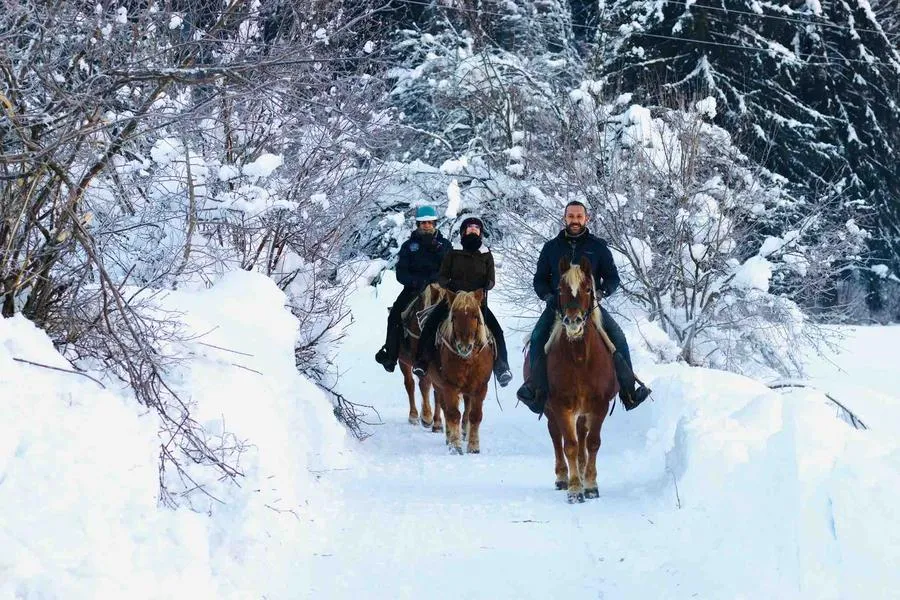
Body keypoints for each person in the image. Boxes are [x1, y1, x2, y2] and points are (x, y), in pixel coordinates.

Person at [516, 200, 652, 413]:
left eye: (579, 216)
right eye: (571, 216)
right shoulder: (551, 248)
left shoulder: (598, 247)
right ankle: (535, 389)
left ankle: (629, 391)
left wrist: (602, 291)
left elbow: (613, 277)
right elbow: (540, 279)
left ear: (586, 219)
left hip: (590, 307)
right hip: (557, 306)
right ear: (565, 218)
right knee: (537, 337)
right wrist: (547, 295)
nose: (575, 220)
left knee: (618, 336)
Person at [412, 217, 513, 386]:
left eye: (476, 228)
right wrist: (451, 288)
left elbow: (491, 280)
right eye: (469, 227)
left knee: (497, 331)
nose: (473, 230)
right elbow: (442, 276)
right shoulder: (453, 251)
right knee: (430, 325)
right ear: (463, 231)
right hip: (452, 301)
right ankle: (422, 362)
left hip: (477, 303)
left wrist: (485, 286)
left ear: (480, 232)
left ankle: (502, 367)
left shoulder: (486, 254)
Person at [375, 205, 452, 372]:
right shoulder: (408, 246)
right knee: (395, 315)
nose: (426, 226)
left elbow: (450, 268)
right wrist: (416, 282)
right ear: (418, 224)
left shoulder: (445, 245)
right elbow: (401, 272)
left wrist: (438, 276)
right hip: (414, 289)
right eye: (423, 223)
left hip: (440, 289)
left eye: (429, 222)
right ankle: (391, 355)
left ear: (435, 223)